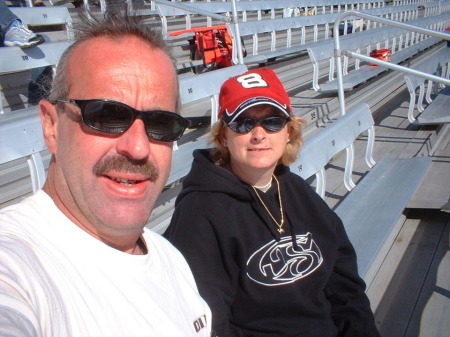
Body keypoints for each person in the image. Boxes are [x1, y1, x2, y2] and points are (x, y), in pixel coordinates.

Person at [0, 11, 212, 337]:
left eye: (160, 124)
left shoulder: (170, 257)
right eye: (107, 114)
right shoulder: (15, 265)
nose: (138, 147)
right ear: (52, 126)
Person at [164, 68, 381, 337]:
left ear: (288, 131)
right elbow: (209, 323)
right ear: (224, 137)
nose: (259, 134)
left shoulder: (297, 190)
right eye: (244, 123)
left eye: (273, 121)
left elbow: (344, 286)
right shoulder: (200, 213)